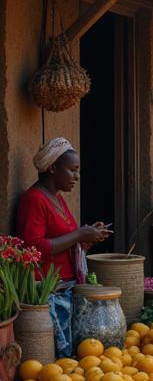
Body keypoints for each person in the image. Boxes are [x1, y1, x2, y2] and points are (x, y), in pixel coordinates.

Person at [16, 138, 112, 357]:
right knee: (61, 357)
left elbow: (66, 240)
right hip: (48, 293)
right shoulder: (34, 200)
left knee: (71, 355)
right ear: (52, 168)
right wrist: (79, 233)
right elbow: (34, 247)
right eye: (72, 170)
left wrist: (87, 237)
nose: (76, 177)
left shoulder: (57, 199)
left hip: (66, 288)